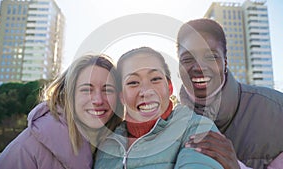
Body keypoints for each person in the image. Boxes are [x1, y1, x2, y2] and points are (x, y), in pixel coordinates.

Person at [177, 18, 283, 169]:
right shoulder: (171, 123)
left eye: (211, 57)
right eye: (187, 59)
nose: (199, 67)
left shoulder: (271, 112)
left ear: (225, 63)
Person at [94, 47, 224, 169]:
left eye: (155, 79)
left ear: (169, 87)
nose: (146, 91)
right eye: (133, 82)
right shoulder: (107, 144)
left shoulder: (196, 128)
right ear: (121, 96)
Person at [0, 54, 124, 169]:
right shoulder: (28, 147)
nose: (98, 100)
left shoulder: (114, 147)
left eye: (107, 90)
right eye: (86, 90)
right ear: (68, 95)